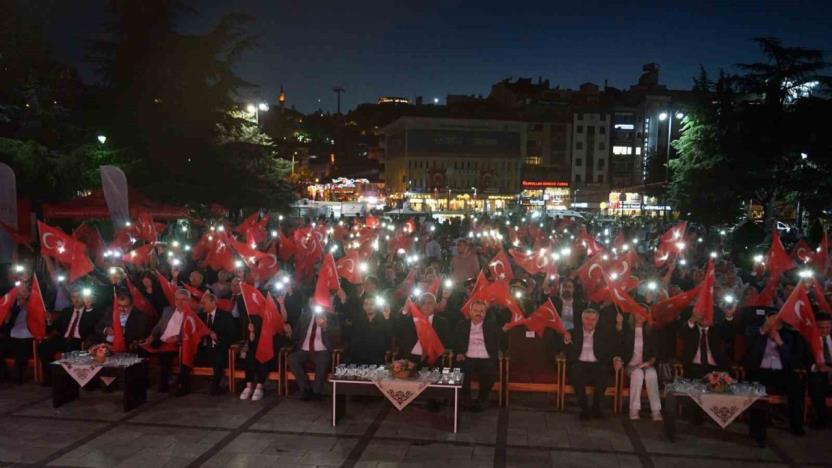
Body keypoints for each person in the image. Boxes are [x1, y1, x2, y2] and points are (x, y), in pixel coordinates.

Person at [745, 312, 807, 436]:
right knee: (758, 391)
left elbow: (793, 361)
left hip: (782, 372)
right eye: (772, 321)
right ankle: (757, 430)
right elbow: (751, 353)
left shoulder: (790, 336)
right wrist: (763, 330)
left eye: (778, 322)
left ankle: (796, 426)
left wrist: (780, 343)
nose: (774, 324)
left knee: (797, 387)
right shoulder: (755, 332)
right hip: (760, 372)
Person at [564, 308, 620, 419]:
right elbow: (566, 353)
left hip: (597, 364)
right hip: (579, 363)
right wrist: (566, 342)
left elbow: (613, 348)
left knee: (603, 372)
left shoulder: (604, 334)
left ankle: (596, 408)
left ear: (597, 321)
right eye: (587, 319)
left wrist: (616, 358)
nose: (590, 322)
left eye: (593, 319)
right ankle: (584, 408)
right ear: (582, 319)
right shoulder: (572, 333)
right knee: (576, 372)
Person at [38, 287, 100, 384]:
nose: (76, 300)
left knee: (71, 347)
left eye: (78, 297)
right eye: (73, 297)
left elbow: (91, 327)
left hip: (79, 340)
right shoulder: (66, 311)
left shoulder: (91, 311)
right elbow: (55, 327)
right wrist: (49, 321)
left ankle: (69, 381)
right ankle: (50, 378)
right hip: (64, 338)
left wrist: (88, 309)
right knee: (44, 346)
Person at [181, 292, 236, 396]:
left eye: (204, 303)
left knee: (217, 356)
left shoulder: (225, 315)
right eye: (201, 303)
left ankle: (214, 387)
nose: (202, 305)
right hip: (202, 346)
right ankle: (184, 385)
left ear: (213, 303)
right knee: (186, 353)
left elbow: (231, 334)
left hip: (219, 346)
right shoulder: (199, 317)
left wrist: (217, 336)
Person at [453, 299, 501, 411]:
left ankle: (482, 399)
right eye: (475, 310)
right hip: (467, 356)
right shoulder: (462, 325)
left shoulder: (492, 326)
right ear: (470, 312)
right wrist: (459, 353)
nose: (478, 313)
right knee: (460, 370)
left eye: (481, 311)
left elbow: (498, 342)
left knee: (489, 371)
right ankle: (465, 400)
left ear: (485, 313)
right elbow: (455, 341)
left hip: (486, 357)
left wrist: (494, 354)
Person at [288, 299, 340, 401]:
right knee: (292, 359)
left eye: (316, 302)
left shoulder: (331, 316)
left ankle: (317, 391)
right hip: (304, 349)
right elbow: (295, 334)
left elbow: (337, 335)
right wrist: (288, 332)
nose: (313, 305)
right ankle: (305, 388)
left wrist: (325, 327)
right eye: (311, 302)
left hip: (322, 349)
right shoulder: (304, 316)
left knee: (323, 360)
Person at [142, 288, 190, 393]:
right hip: (161, 340)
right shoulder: (167, 310)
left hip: (177, 344)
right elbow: (158, 327)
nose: (180, 302)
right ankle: (142, 382)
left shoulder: (192, 315)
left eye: (183, 299)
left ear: (188, 301)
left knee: (165, 355)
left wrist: (178, 338)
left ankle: (164, 384)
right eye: (177, 299)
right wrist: (152, 336)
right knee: (140, 350)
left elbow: (191, 333)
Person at [620, 313, 661, 421]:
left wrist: (653, 359)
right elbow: (621, 350)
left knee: (652, 373)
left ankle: (656, 410)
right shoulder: (627, 331)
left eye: (643, 313)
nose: (639, 315)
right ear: (633, 316)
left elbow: (655, 352)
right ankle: (634, 409)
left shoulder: (650, 332)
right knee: (637, 373)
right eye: (637, 312)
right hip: (631, 365)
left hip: (646, 364)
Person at [396, 292, 450, 363]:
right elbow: (398, 327)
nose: (426, 306)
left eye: (430, 303)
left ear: (435, 305)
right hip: (410, 359)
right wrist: (405, 310)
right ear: (419, 306)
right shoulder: (413, 320)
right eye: (423, 303)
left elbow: (445, 342)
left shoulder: (442, 322)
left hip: (433, 359)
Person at [343, 296, 392, 365]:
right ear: (363, 306)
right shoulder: (358, 320)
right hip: (360, 357)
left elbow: (389, 335)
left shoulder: (383, 319)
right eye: (366, 304)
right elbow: (353, 338)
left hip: (377, 356)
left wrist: (387, 317)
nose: (369, 307)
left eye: (372, 304)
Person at [0, 283, 32, 384]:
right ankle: (4, 374)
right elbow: (7, 323)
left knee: (21, 347)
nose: (21, 293)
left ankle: (19, 375)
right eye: (20, 290)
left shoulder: (34, 302)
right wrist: (7, 319)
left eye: (24, 291)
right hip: (12, 334)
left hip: (27, 335)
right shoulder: (13, 304)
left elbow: (38, 317)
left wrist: (26, 304)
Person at [809, 312, 832, 430]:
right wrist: (816, 367)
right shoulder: (809, 339)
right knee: (816, 380)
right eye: (821, 328)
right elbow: (803, 361)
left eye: (827, 327)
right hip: (817, 372)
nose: (824, 331)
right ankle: (822, 418)